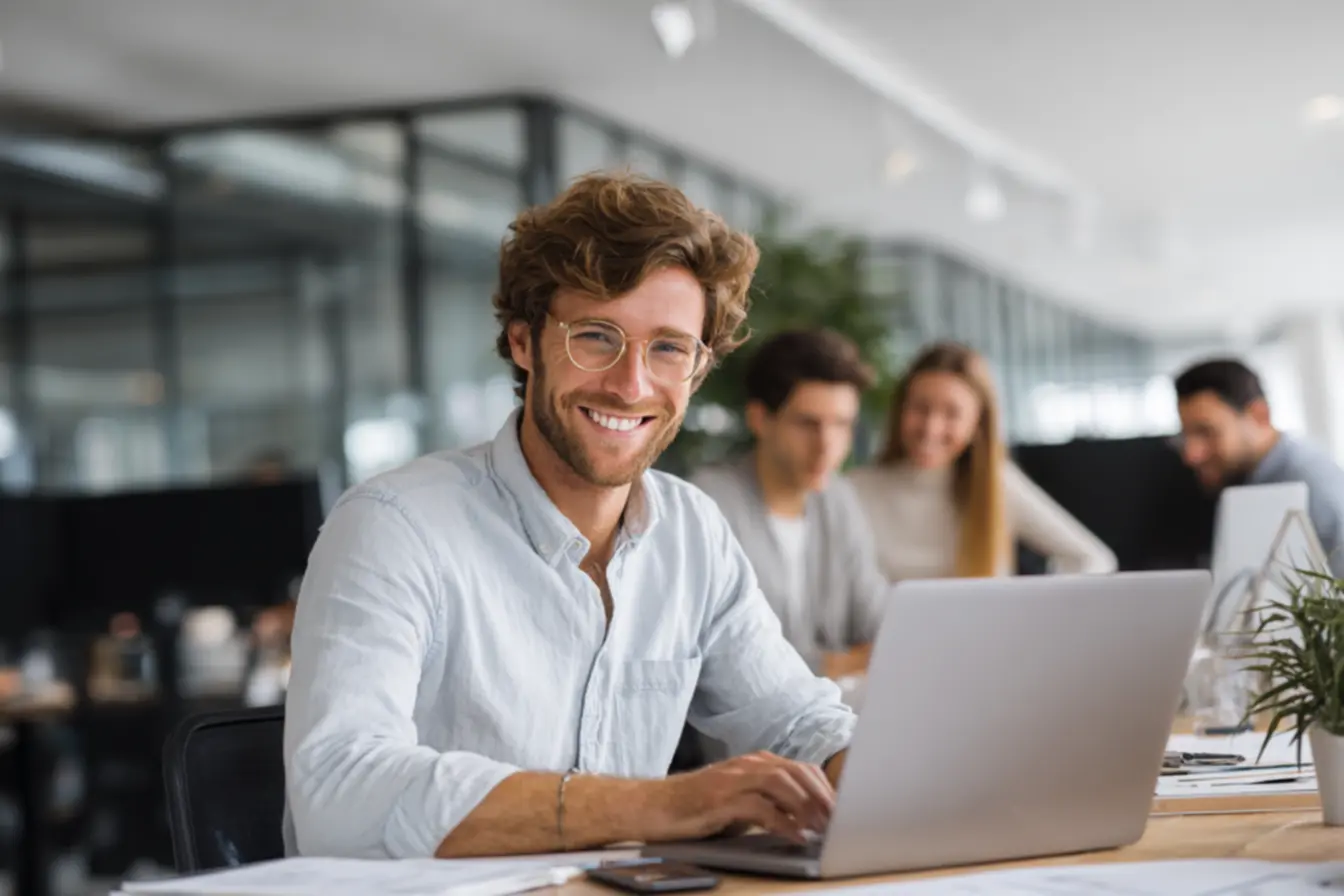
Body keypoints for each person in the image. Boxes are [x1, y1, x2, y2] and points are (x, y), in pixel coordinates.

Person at [283, 172, 855, 861]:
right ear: (524, 342)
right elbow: (339, 796)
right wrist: (668, 804)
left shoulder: (692, 533)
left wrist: (887, 780)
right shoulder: (392, 525)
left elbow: (800, 725)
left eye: (668, 348)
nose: (631, 383)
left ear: (698, 370)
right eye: (596, 336)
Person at [691, 330, 889, 678]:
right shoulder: (709, 503)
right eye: (807, 424)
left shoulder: (839, 498)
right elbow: (726, 659)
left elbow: (882, 623)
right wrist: (838, 663)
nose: (827, 446)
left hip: (842, 714)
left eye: (842, 425)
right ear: (760, 419)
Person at [847, 341, 1116, 581]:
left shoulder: (997, 483)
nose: (931, 428)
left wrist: (1034, 610)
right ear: (900, 410)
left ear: (977, 425)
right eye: (920, 407)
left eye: (951, 413)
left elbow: (1092, 559)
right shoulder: (855, 490)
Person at [1174, 357, 1344, 575]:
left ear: (1259, 415)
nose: (1191, 454)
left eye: (1206, 432)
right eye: (1185, 435)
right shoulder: (1252, 480)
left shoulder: (1314, 485)